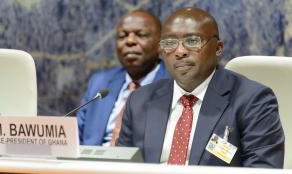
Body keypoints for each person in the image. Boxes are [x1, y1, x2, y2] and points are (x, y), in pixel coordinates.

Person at [116, 7, 284, 168]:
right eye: (170, 43)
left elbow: (262, 169)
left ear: (218, 48)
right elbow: (118, 166)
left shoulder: (252, 99)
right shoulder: (140, 100)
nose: (180, 51)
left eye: (192, 41)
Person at [77, 10, 169, 146]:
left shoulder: (174, 84)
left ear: (161, 44)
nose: (130, 41)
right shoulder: (100, 82)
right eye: (122, 36)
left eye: (141, 35)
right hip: (92, 163)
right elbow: (77, 137)